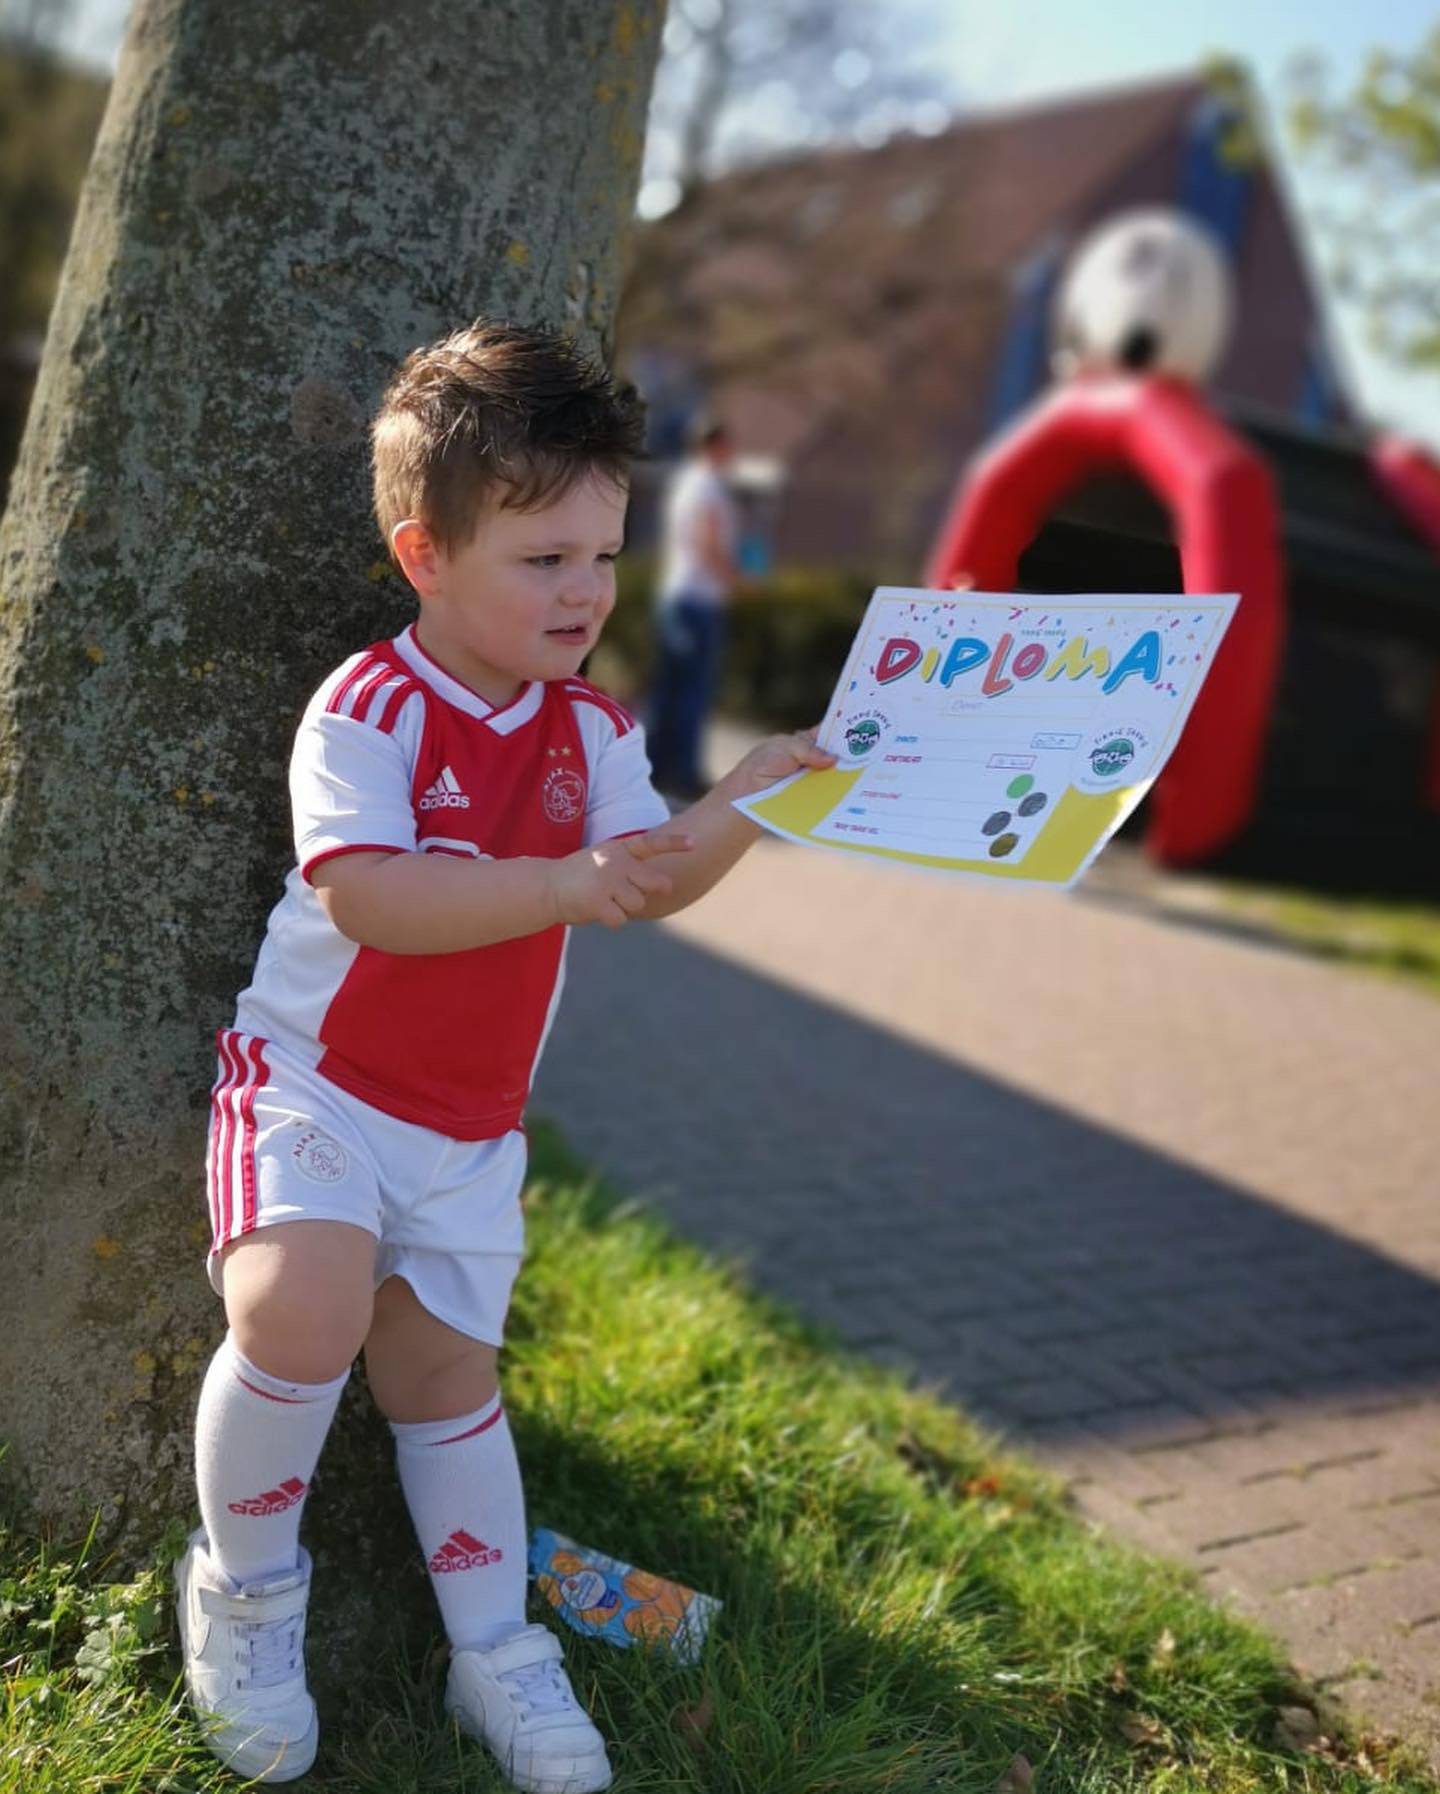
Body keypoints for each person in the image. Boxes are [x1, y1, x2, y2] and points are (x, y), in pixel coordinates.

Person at [174, 320, 834, 1792]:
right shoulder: (370, 709)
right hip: (318, 1089)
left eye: (604, 556)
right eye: (545, 561)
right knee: (300, 1304)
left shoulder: (590, 723)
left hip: (469, 1128)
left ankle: (496, 1649)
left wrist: (752, 795)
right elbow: (367, 894)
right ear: (425, 555)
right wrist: (554, 882)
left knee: (445, 1373)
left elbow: (647, 872)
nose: (586, 592)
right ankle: (247, 1593)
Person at [646, 415, 740, 800]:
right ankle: (681, 772)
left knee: (670, 687)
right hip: (698, 599)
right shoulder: (708, 488)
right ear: (716, 446)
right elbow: (709, 542)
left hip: (677, 595)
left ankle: (656, 765)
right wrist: (735, 579)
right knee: (691, 690)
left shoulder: (685, 483)